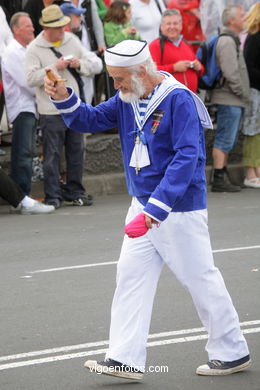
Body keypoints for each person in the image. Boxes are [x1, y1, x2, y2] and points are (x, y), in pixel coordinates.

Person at [44, 39, 251, 379]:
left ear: (141, 71)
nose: (116, 85)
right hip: (142, 205)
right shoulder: (128, 96)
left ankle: (232, 351)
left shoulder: (178, 100)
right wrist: (63, 96)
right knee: (130, 278)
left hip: (177, 208)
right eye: (113, 78)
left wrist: (155, 210)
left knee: (200, 279)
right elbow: (91, 119)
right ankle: (125, 357)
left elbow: (188, 158)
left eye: (119, 78)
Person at [25, 5, 103, 208]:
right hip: (50, 111)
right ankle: (53, 195)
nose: (62, 30)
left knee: (77, 152)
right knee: (52, 155)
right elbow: (30, 78)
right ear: (47, 28)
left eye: (63, 26)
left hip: (74, 108)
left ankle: (75, 191)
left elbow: (92, 65)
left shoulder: (72, 40)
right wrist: (53, 68)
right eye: (58, 27)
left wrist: (78, 64)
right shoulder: (34, 48)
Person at [210, 5, 250, 193]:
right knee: (224, 139)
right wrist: (242, 92)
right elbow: (231, 72)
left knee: (227, 139)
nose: (245, 18)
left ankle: (222, 175)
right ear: (232, 20)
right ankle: (218, 177)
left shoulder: (230, 39)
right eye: (242, 15)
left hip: (232, 98)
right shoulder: (227, 41)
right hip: (229, 98)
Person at [2, 12, 37, 196]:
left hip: (29, 107)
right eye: (28, 26)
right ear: (16, 30)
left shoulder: (25, 49)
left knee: (27, 152)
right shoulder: (13, 52)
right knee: (23, 153)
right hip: (22, 107)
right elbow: (27, 82)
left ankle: (23, 194)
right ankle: (21, 196)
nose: (32, 28)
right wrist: (42, 92)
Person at [149, 9, 204, 93]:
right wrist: (174, 68)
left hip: (190, 97)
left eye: (175, 23)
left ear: (181, 25)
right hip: (168, 99)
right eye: (168, 24)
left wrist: (198, 67)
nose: (172, 27)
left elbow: (200, 71)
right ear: (161, 26)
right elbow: (151, 72)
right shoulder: (155, 45)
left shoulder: (186, 44)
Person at [241, 2, 260, 189]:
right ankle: (250, 171)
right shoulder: (254, 36)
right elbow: (248, 66)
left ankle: (257, 168)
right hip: (255, 91)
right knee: (252, 131)